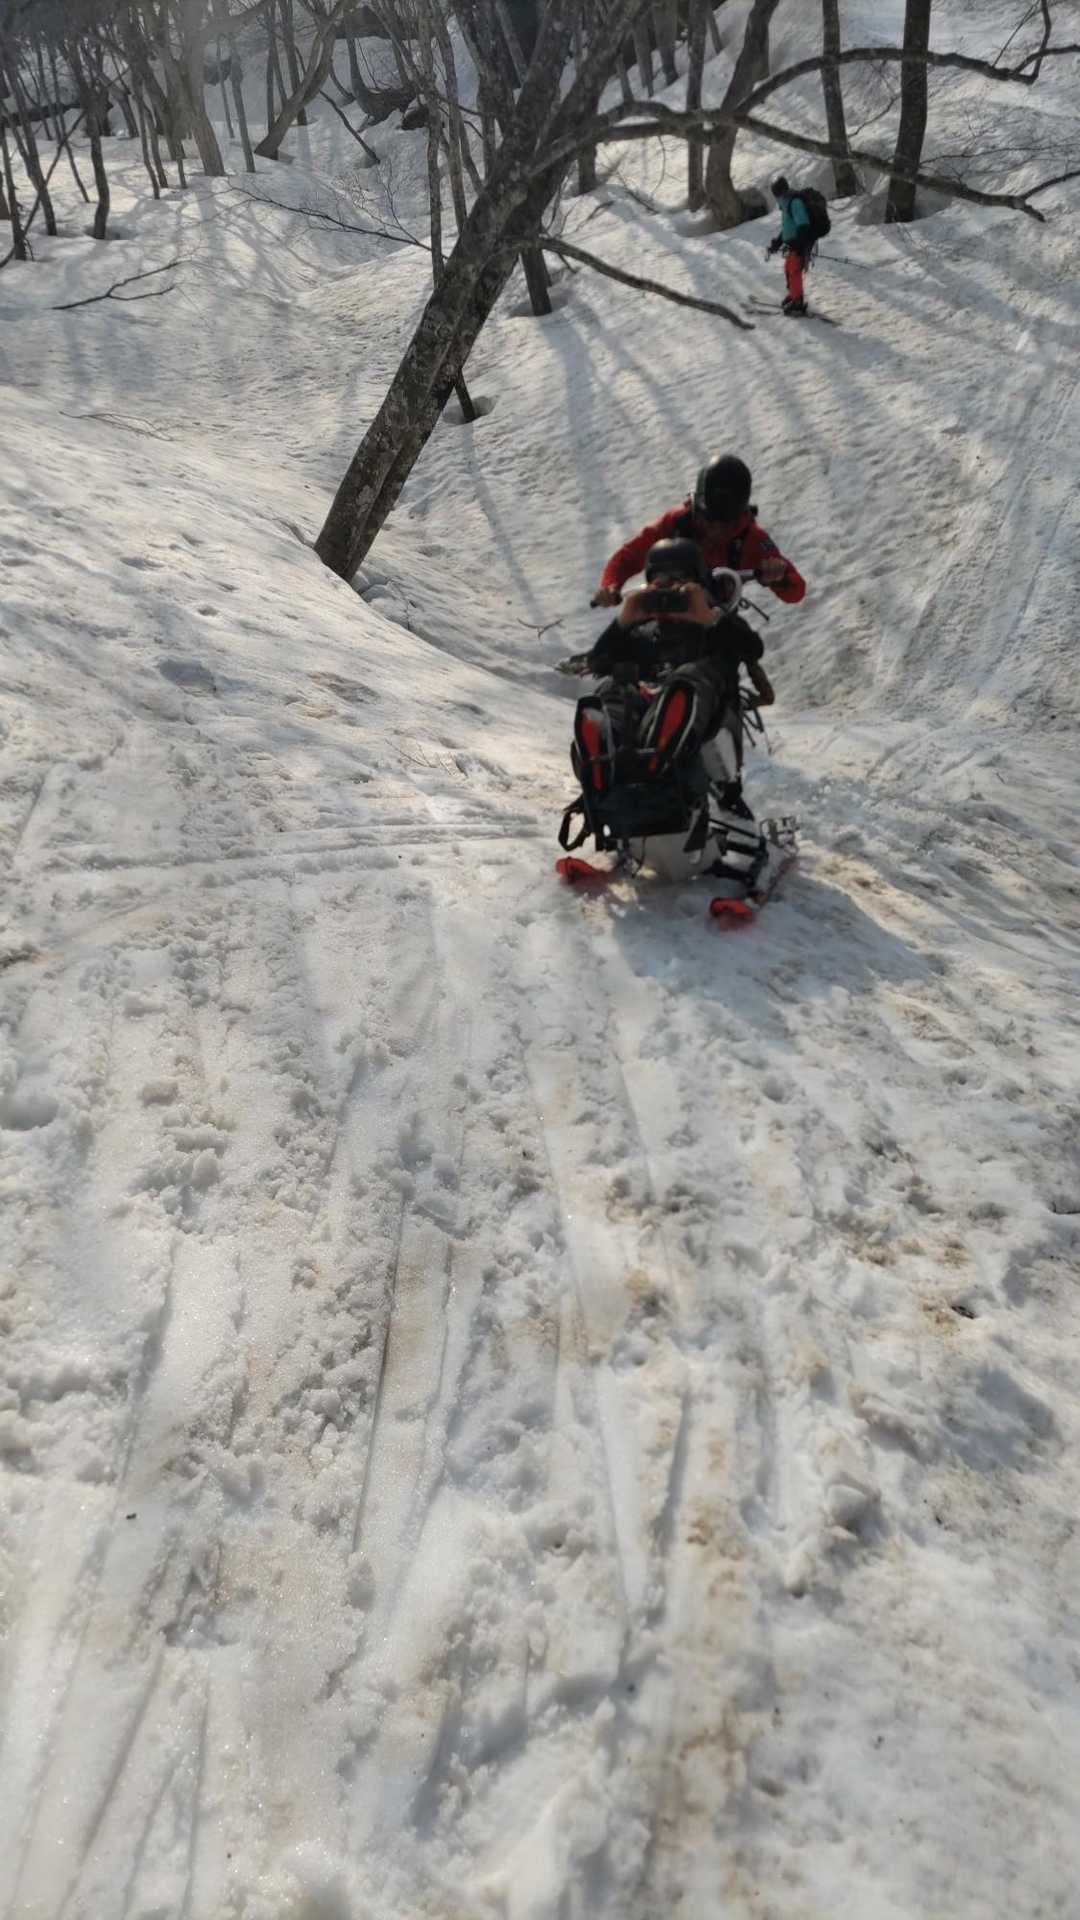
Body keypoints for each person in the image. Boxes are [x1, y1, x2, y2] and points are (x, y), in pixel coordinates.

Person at [574, 535, 775, 825]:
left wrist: (710, 618)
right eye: (661, 581)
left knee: (689, 678)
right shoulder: (644, 631)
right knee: (613, 688)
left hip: (710, 726)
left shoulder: (716, 625)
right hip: (642, 724)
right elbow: (598, 662)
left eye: (679, 580)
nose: (668, 590)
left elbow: (752, 648)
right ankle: (603, 757)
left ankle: (662, 752)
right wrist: (624, 622)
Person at [592, 454, 805, 610]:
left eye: (724, 523)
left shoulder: (752, 539)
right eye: (708, 518)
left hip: (714, 622)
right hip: (661, 610)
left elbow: (796, 590)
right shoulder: (674, 523)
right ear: (696, 507)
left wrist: (778, 575)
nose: (714, 530)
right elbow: (629, 556)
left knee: (747, 645)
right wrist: (610, 586)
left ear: (739, 517)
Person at [767, 176, 814, 316]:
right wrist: (777, 243)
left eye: (776, 194)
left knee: (794, 271)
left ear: (781, 192)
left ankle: (798, 301)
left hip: (798, 244)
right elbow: (788, 228)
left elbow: (803, 224)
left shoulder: (795, 202)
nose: (776, 198)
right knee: (788, 269)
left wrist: (799, 245)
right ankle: (793, 294)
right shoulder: (786, 204)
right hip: (791, 245)